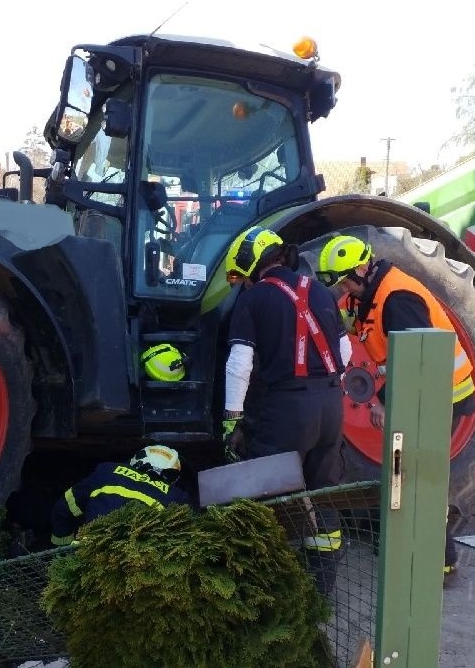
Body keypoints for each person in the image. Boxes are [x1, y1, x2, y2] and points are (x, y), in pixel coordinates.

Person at [315, 233, 475, 578]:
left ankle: (440, 564)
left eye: (345, 281)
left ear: (362, 268)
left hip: (440, 394)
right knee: (402, 475)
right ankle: (408, 545)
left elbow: (418, 360)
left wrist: (389, 406)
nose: (344, 289)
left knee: (422, 479)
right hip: (417, 389)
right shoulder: (367, 294)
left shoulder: (397, 299)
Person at [220, 226, 347, 591]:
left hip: (288, 409)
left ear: (250, 266)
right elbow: (346, 353)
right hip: (331, 406)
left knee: (264, 496)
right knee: (323, 494)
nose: (241, 286)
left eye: (240, 279)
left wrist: (231, 418)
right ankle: (321, 591)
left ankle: (264, 591)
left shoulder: (255, 297)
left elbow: (239, 362)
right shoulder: (321, 291)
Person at [50, 445, 188, 545]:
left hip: (88, 554)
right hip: (139, 569)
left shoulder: (107, 471)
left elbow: (63, 508)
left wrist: (61, 553)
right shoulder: (176, 496)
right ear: (172, 477)